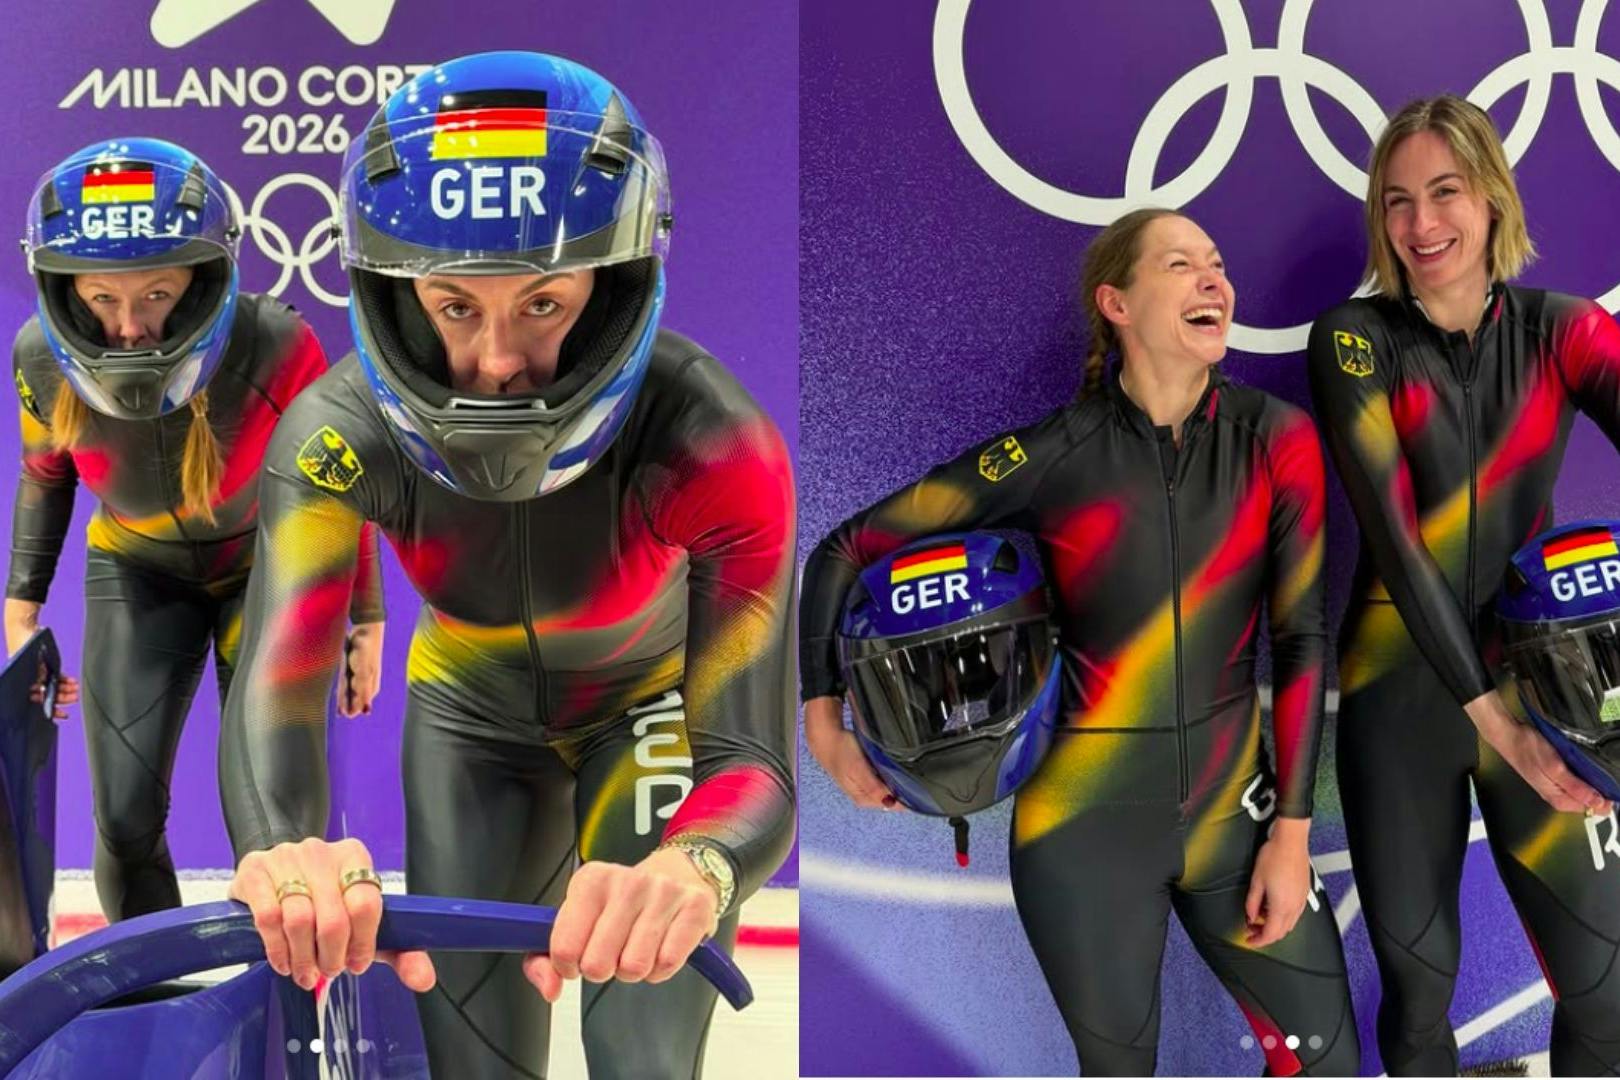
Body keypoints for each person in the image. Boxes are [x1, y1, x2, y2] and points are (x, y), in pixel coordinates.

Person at [219, 51, 797, 1080]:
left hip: (646, 712)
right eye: (452, 305)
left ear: (616, 288)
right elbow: (277, 680)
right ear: (393, 297)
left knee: (642, 1050)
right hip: (468, 722)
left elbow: (749, 755)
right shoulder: (328, 437)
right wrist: (284, 846)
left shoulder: (717, 440)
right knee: (473, 1061)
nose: (493, 361)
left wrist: (698, 865)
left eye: (542, 303)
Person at [801, 208, 1359, 1076]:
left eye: (1217, 263)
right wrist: (825, 723)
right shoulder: (1051, 454)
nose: (1215, 280)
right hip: (1079, 833)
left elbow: (1302, 638)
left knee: (1323, 1056)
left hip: (1234, 817)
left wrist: (1289, 834)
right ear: (1118, 304)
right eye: (1181, 265)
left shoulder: (1276, 442)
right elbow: (843, 552)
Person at [1308, 94, 1620, 1076]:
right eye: (1396, 201)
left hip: (1544, 687)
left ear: (1491, 198)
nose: (1421, 224)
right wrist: (1503, 729)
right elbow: (1401, 550)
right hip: (1402, 698)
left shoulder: (1563, 330)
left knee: (1605, 983)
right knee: (1421, 987)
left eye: (1445, 192)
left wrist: (1543, 719)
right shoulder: (1354, 340)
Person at [7, 137, 384, 921]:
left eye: (157, 294)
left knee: (275, 826)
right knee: (121, 818)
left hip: (269, 571)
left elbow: (340, 483)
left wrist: (367, 618)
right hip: (135, 573)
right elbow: (45, 475)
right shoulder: (40, 355)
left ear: (203, 280)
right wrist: (21, 614)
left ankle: (287, 1008)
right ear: (63, 288)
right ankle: (150, 1010)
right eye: (102, 297)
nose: (131, 329)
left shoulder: (277, 343)